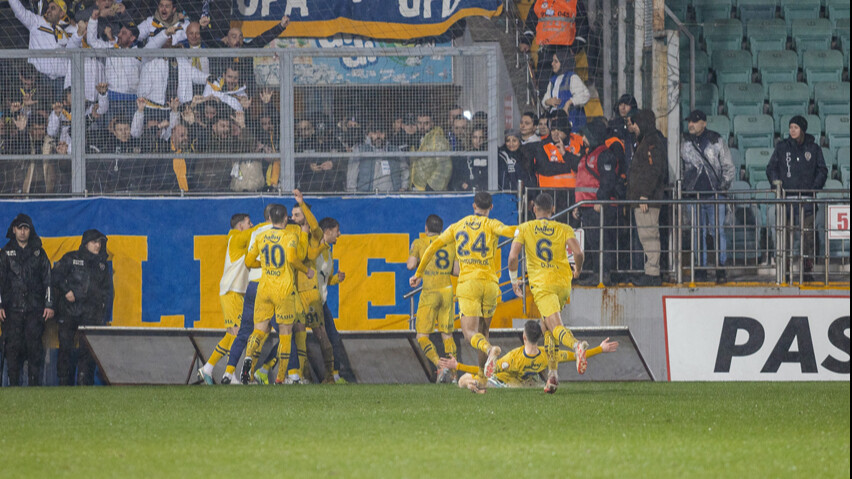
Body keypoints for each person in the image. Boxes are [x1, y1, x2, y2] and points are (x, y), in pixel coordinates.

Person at [409, 192, 517, 386]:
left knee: (470, 333)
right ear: (491, 208)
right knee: (484, 331)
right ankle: (482, 378)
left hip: (468, 284)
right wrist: (530, 229)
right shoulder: (492, 224)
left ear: (474, 205)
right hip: (490, 284)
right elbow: (511, 232)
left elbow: (432, 248)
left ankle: (489, 350)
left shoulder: (457, 226)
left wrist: (418, 273)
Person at [508, 193, 587, 393]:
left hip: (543, 285)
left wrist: (514, 281)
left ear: (534, 209)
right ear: (553, 209)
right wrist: (577, 270)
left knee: (555, 326)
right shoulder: (564, 228)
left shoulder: (525, 228)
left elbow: (512, 257)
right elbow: (578, 253)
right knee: (547, 326)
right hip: (562, 283)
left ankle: (576, 345)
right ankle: (552, 375)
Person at [439, 321, 619, 392]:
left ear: (524, 337)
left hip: (503, 383)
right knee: (535, 381)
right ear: (538, 337)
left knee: (464, 379)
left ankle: (473, 385)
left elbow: (486, 371)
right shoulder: (548, 356)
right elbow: (575, 356)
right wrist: (600, 349)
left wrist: (458, 366)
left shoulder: (513, 357)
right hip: (526, 383)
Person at [243, 204, 313, 385]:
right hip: (283, 290)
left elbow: (248, 262)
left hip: (264, 289)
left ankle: (247, 368)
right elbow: (293, 258)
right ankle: (281, 377)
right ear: (285, 218)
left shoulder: (261, 236)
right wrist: (306, 270)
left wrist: (264, 265)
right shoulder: (290, 236)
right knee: (285, 333)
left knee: (258, 331)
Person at [765, 115, 828, 281]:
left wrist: (813, 189)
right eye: (791, 127)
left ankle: (807, 270)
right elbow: (771, 168)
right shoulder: (782, 147)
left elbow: (822, 170)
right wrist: (777, 185)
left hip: (807, 202)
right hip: (786, 202)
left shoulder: (814, 148)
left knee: (807, 235)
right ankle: (785, 270)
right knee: (785, 235)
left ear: (802, 130)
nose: (792, 130)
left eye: (796, 127)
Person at [197, 213, 257, 385]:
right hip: (232, 292)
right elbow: (252, 233)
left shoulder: (236, 239)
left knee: (232, 335)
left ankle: (208, 368)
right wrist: (268, 225)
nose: (252, 225)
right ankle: (230, 375)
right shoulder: (236, 237)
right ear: (240, 226)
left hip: (232, 292)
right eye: (249, 222)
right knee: (239, 334)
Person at [51, 229, 112, 386]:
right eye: (94, 242)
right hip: (69, 311)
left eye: (100, 242)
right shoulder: (71, 258)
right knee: (65, 348)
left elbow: (106, 290)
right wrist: (66, 291)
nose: (98, 245)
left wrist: (102, 311)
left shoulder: (102, 265)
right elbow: (55, 275)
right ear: (85, 243)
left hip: (91, 313)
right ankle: (64, 384)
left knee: (88, 351)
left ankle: (85, 384)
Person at [681, 109, 736, 284]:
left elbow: (728, 166)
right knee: (697, 233)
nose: (691, 124)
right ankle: (700, 268)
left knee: (718, 232)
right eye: (689, 121)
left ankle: (721, 268)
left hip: (715, 195)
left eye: (695, 121)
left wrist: (722, 188)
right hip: (693, 196)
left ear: (704, 123)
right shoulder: (684, 142)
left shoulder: (716, 140)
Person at [0, 214, 54, 386]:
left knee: (34, 349)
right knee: (12, 349)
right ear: (14, 230)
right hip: (11, 311)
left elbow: (48, 280)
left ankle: (34, 387)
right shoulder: (5, 253)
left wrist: (49, 304)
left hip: (35, 310)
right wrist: (0, 305)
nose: (23, 232)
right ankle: (14, 386)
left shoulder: (39, 252)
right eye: (20, 228)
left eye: (26, 228)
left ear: (30, 230)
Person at [408, 214, 459, 383]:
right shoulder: (450, 243)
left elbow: (410, 265)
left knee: (422, 336)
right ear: (441, 230)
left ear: (426, 228)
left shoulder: (419, 243)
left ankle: (439, 365)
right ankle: (454, 375)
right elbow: (457, 271)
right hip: (447, 291)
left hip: (430, 292)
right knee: (447, 335)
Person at [626, 109, 667, 286]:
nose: (633, 127)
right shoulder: (647, 141)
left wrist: (645, 195)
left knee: (649, 235)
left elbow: (653, 170)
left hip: (646, 201)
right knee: (646, 236)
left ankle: (652, 273)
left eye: (634, 123)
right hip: (643, 199)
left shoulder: (651, 143)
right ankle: (650, 271)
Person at [8, 0, 77, 102]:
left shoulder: (71, 30)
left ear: (62, 13)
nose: (48, 10)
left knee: (60, 111)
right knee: (40, 110)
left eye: (53, 8)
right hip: (40, 81)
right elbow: (19, 11)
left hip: (62, 81)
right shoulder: (36, 22)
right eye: (48, 8)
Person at [520, 0, 589, 99]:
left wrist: (574, 49)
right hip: (545, 52)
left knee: (565, 89)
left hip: (565, 53)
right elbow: (530, 23)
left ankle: (563, 108)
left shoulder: (575, 2)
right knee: (544, 88)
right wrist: (526, 41)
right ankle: (546, 107)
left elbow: (583, 27)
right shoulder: (539, 2)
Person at [347, 121, 409, 193]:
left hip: (391, 195)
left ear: (386, 134)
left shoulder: (395, 151)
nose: (378, 136)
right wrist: (352, 194)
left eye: (381, 133)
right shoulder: (360, 151)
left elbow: (405, 171)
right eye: (375, 133)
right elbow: (352, 175)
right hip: (366, 195)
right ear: (370, 134)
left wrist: (404, 187)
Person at [541, 49, 590, 130]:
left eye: (556, 61)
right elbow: (544, 100)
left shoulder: (572, 77)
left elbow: (585, 95)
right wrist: (548, 101)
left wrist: (569, 103)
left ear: (563, 62)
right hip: (557, 121)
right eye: (552, 61)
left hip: (573, 120)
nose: (552, 63)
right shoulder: (553, 80)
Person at [410, 112, 452, 191]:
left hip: (430, 190)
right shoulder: (415, 140)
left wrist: (432, 186)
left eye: (426, 123)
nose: (422, 126)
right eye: (419, 123)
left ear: (432, 124)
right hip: (415, 187)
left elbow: (444, 166)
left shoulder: (438, 140)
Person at [450, 126, 488, 192]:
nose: (478, 141)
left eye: (481, 137)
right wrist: (462, 184)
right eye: (475, 137)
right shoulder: (464, 155)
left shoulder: (488, 155)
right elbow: (457, 177)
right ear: (471, 138)